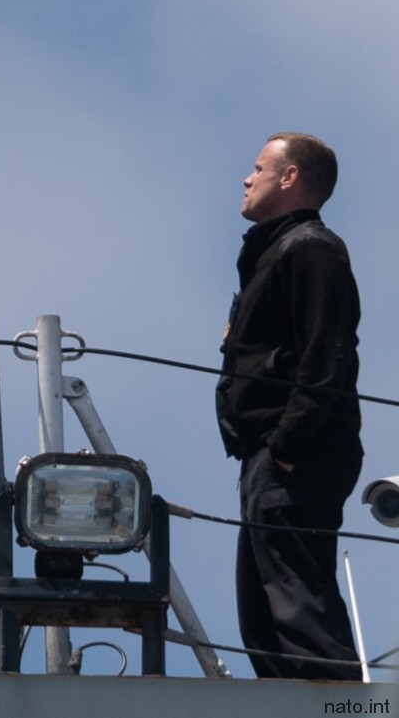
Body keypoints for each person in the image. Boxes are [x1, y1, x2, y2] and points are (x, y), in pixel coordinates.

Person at [217, 133, 362, 680]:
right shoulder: (275, 253)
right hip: (267, 459)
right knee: (263, 617)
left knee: (301, 614)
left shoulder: (311, 248)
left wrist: (286, 449)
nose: (246, 178)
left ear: (289, 177)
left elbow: (327, 357)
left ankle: (345, 712)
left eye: (257, 167)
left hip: (293, 456)